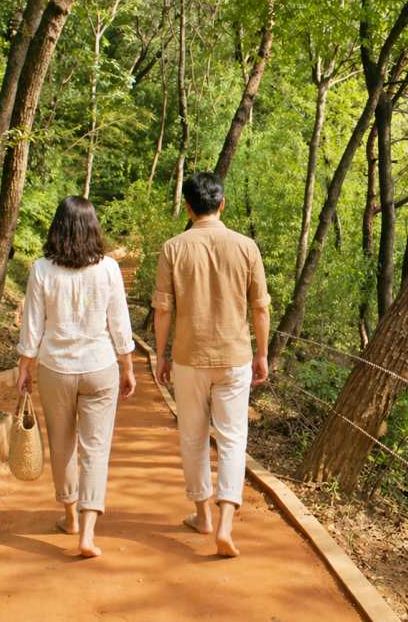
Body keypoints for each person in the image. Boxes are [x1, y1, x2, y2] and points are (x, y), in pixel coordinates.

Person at [152, 173, 271, 558]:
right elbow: (260, 307)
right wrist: (263, 353)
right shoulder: (246, 247)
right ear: (222, 204)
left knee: (193, 437)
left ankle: (202, 514)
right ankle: (224, 525)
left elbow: (163, 309)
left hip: (189, 358)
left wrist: (160, 353)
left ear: (188, 206)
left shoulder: (173, 248)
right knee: (233, 439)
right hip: (235, 357)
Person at [16, 196, 136, 559]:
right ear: (93, 228)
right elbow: (119, 323)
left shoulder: (41, 269)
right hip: (101, 367)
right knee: (95, 449)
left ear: (58, 228)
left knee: (63, 444)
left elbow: (32, 325)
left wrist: (25, 367)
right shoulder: (108, 269)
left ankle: (69, 515)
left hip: (56, 368)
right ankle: (87, 532)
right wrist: (128, 366)